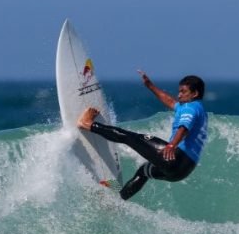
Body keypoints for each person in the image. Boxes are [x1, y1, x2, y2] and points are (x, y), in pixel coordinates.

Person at [78, 71, 208, 200]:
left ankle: (88, 124)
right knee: (143, 172)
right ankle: (118, 201)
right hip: (182, 171)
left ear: (195, 93)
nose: (179, 95)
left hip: (175, 158)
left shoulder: (190, 108)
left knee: (127, 136)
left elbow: (184, 127)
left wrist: (172, 145)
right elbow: (170, 101)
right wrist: (150, 86)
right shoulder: (197, 109)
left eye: (183, 92)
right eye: (179, 91)